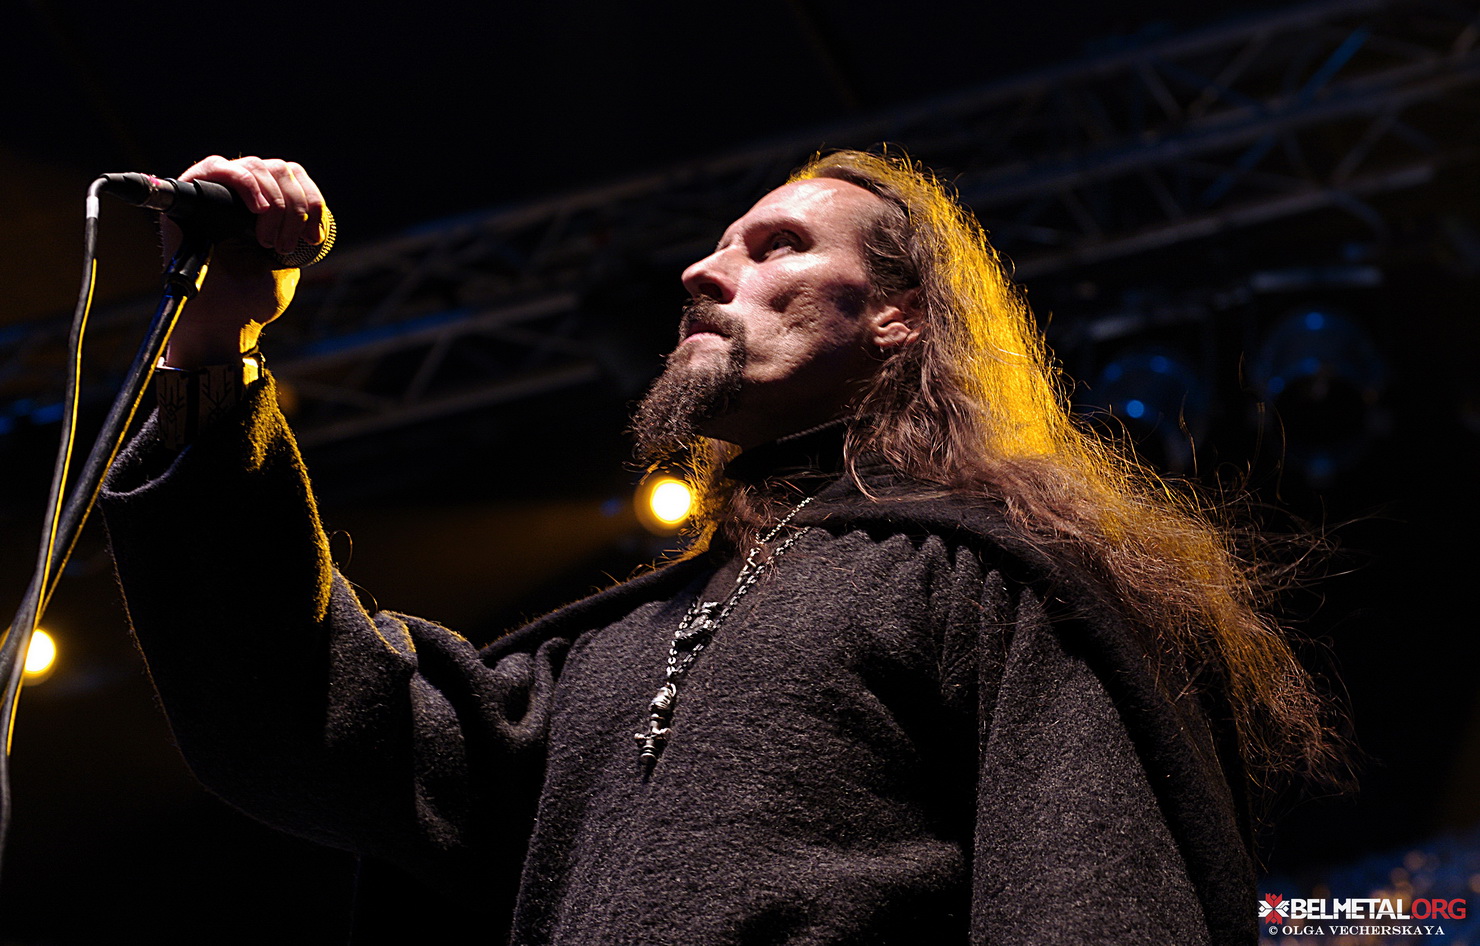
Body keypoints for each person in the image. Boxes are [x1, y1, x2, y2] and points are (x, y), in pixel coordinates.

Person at [101, 150, 1342, 944]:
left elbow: (1093, 902)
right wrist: (216, 353)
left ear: (900, 316)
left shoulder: (992, 578)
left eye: (775, 245)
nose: (703, 269)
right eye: (720, 244)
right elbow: (307, 714)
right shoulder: (604, 655)